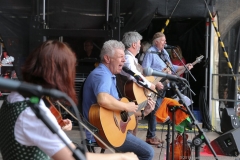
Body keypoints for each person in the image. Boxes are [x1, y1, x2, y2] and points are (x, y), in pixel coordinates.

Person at [0, 40, 138, 160]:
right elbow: (72, 156)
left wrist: (56, 126)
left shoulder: (16, 97)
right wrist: (122, 156)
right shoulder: (34, 114)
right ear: (59, 75)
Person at [82, 40, 155, 160]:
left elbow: (120, 112)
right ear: (107, 58)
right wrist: (126, 106)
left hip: (111, 129)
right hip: (102, 132)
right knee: (147, 153)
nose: (124, 60)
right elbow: (103, 99)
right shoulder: (102, 74)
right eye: (121, 57)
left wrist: (143, 112)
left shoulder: (109, 76)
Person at [141, 32, 193, 145]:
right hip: (156, 85)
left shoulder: (164, 53)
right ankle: (151, 136)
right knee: (155, 109)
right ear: (156, 42)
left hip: (165, 85)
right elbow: (145, 70)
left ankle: (151, 135)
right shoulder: (150, 53)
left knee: (157, 109)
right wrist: (154, 82)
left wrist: (184, 66)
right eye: (163, 40)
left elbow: (171, 67)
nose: (165, 42)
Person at [120, 31, 164, 143]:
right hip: (128, 98)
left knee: (134, 126)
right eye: (139, 43)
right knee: (130, 129)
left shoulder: (132, 59)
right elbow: (136, 76)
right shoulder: (128, 59)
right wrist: (150, 85)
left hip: (133, 98)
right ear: (134, 44)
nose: (140, 45)